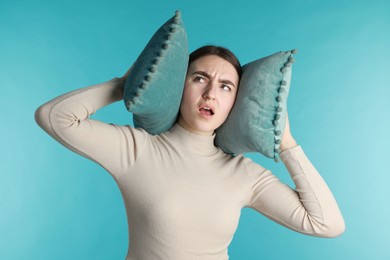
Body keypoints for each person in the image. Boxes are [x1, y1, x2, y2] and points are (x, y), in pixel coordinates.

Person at [35, 45, 345, 260]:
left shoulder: (243, 174)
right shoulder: (136, 149)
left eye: (226, 86)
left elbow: (327, 224)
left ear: (235, 102)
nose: (211, 93)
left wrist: (287, 144)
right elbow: (53, 116)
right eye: (200, 79)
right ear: (179, 86)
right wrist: (124, 85)